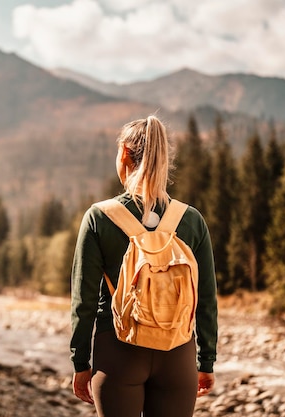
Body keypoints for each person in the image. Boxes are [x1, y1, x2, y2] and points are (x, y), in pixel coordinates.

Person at [70, 115, 218, 417]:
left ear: (124, 153)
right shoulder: (191, 220)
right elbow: (205, 299)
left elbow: (83, 301)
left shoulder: (99, 217)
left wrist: (80, 363)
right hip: (178, 355)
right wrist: (206, 362)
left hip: (119, 352)